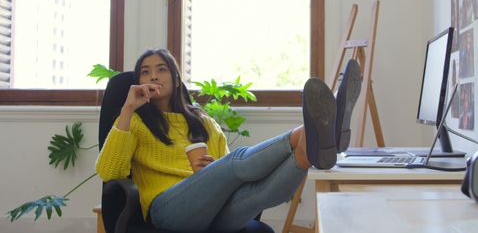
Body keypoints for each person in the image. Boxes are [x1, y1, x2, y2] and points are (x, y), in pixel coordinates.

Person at [96, 48, 362, 232]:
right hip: (168, 210)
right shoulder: (136, 123)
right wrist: (128, 109)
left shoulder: (204, 122)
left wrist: (210, 172)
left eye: (161, 69)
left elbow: (231, 176)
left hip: (214, 211)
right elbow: (109, 172)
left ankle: (306, 151)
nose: (153, 76)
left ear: (177, 81)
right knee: (235, 163)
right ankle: (306, 133)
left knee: (257, 195)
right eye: (145, 72)